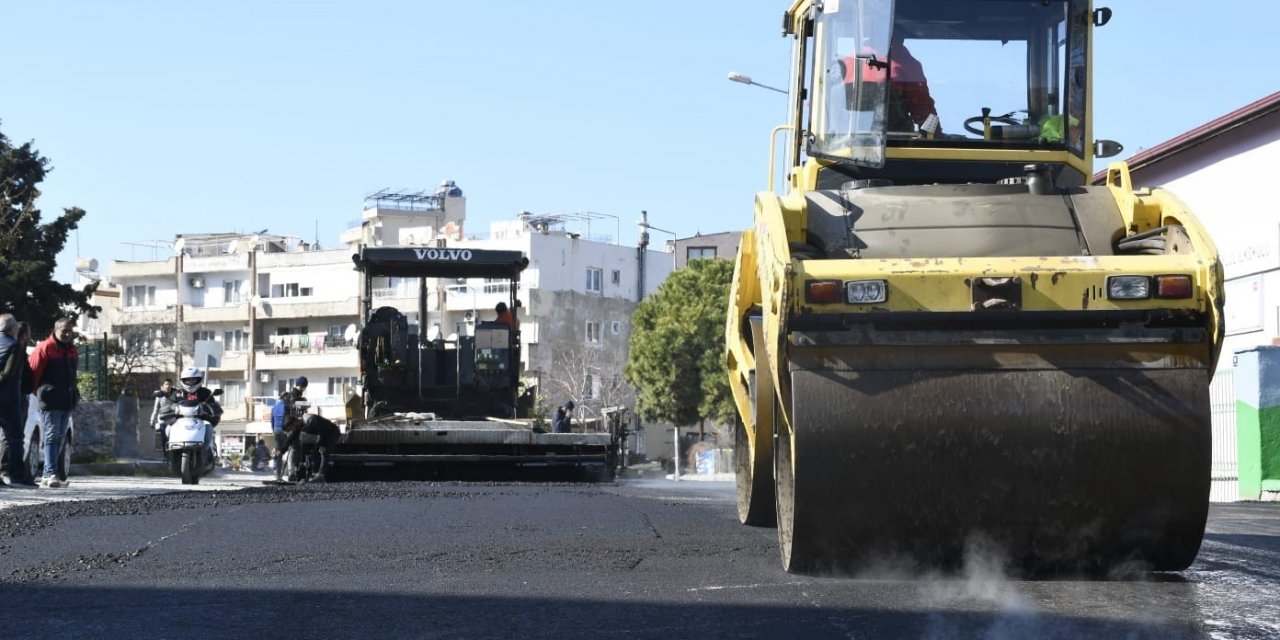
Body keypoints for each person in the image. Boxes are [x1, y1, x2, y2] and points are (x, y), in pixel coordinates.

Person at [841, 33, 939, 134]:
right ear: (899, 35)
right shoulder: (905, 63)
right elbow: (922, 108)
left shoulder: (848, 61)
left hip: (847, 137)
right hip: (894, 139)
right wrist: (936, 136)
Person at [28, 316, 80, 489]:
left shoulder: (72, 350)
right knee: (51, 435)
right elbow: (33, 373)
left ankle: (49, 474)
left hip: (66, 400)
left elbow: (73, 374)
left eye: (70, 331)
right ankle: (50, 473)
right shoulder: (46, 347)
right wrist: (40, 393)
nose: (67, 333)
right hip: (50, 400)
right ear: (55, 330)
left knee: (59, 436)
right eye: (64, 330)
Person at [280, 412, 341, 482]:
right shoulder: (300, 426)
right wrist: (282, 451)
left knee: (324, 451)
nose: (292, 430)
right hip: (323, 434)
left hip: (332, 432)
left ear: (295, 422)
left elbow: (323, 429)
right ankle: (314, 474)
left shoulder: (312, 420)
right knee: (315, 453)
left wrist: (324, 445)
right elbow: (291, 438)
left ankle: (321, 475)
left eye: (291, 428)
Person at [271, 376, 308, 481]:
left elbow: (272, 421)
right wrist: (304, 403)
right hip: (290, 426)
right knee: (293, 449)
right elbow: (295, 409)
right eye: (303, 387)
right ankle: (291, 472)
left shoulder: (275, 407)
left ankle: (278, 474)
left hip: (279, 430)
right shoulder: (294, 397)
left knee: (282, 450)